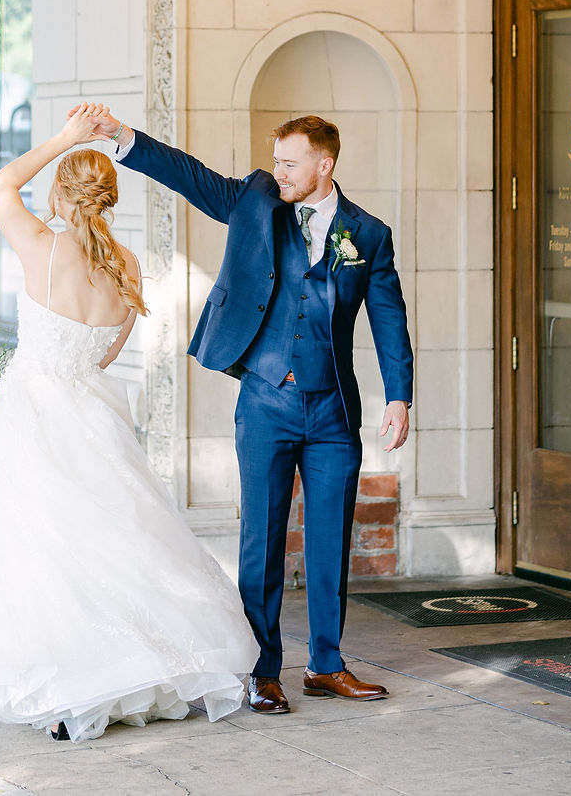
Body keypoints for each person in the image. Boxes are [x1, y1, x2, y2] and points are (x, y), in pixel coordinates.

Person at [0, 104, 258, 743]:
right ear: (110, 198)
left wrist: (63, 138)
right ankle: (132, 672)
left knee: (43, 546)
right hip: (94, 413)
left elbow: (4, 184)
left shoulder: (41, 245)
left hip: (35, 414)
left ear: (61, 194)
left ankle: (71, 689)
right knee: (113, 542)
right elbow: (108, 354)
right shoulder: (129, 267)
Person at [80, 107, 413, 715]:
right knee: (260, 537)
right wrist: (124, 138)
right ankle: (262, 668)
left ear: (324, 165)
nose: (279, 170)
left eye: (291, 162)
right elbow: (192, 176)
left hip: (335, 410)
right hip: (266, 400)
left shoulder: (368, 233)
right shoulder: (259, 198)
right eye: (278, 160)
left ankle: (326, 664)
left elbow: (389, 317)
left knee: (331, 535)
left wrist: (399, 395)